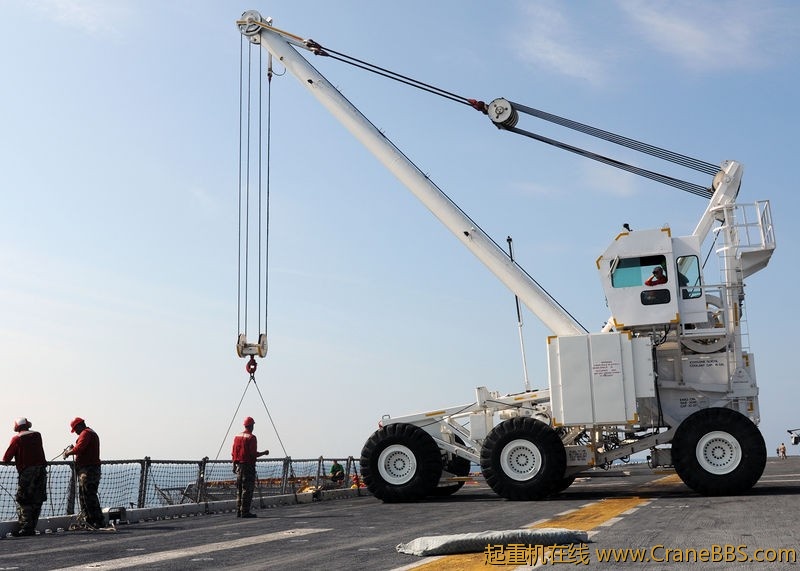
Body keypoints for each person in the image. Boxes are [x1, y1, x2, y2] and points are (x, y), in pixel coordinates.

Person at [3, 418, 47, 537]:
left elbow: (6, 458)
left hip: (27, 472)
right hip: (41, 471)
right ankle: (32, 526)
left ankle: (26, 528)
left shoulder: (17, 438)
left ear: (17, 427)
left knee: (23, 500)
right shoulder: (37, 435)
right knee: (37, 499)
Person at [63, 417, 104, 528]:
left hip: (88, 470)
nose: (75, 432)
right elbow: (81, 448)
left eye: (75, 429)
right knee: (86, 495)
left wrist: (68, 453)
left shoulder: (85, 434)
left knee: (88, 495)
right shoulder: (90, 433)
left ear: (78, 426)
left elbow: (79, 448)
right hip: (89, 469)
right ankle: (91, 521)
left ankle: (96, 521)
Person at [231, 416, 269, 518]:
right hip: (248, 466)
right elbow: (253, 454)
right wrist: (264, 453)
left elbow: (234, 452)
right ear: (252, 426)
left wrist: (234, 465)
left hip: (239, 466)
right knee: (247, 490)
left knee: (239, 489)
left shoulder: (237, 437)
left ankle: (239, 511)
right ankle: (245, 511)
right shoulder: (252, 438)